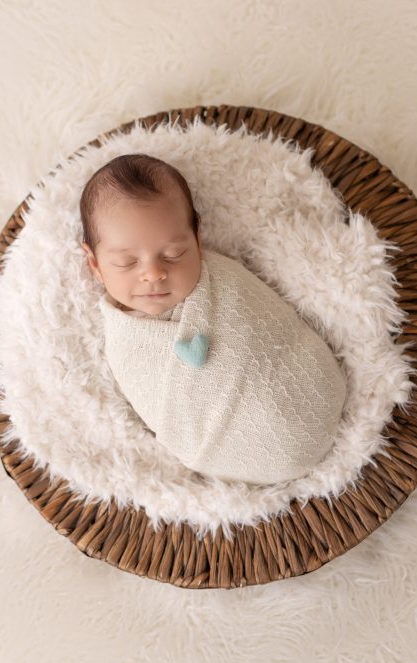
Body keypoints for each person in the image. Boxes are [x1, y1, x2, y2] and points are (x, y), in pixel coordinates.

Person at [79, 153, 347, 486]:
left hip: (304, 393)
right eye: (125, 262)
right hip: (227, 453)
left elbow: (274, 328)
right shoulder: (124, 339)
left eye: (174, 254)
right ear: (94, 263)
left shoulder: (223, 280)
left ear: (197, 238)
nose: (153, 273)